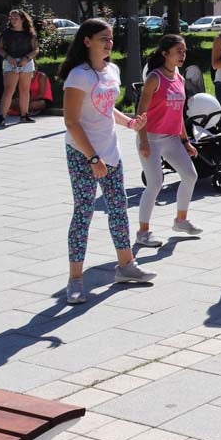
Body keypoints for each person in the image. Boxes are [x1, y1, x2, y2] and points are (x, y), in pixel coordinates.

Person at [58, 19, 156, 304]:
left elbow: (105, 107)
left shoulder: (111, 70)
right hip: (82, 153)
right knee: (84, 212)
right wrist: (92, 158)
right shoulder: (78, 75)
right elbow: (71, 122)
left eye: (111, 38)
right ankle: (75, 279)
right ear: (87, 41)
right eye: (103, 38)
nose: (109, 43)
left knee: (118, 208)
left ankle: (126, 266)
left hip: (110, 151)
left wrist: (130, 123)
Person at [135, 35, 202, 249]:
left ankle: (180, 221)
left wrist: (185, 141)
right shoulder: (154, 78)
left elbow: (178, 114)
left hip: (172, 138)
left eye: (184, 51)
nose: (183, 55)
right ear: (165, 53)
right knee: (155, 183)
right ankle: (143, 233)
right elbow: (140, 112)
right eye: (178, 51)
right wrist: (143, 141)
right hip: (151, 138)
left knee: (190, 175)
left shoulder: (179, 78)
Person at [0, 9, 38, 127]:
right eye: (11, 18)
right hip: (11, 62)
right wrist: (8, 57)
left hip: (26, 62)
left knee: (25, 90)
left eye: (16, 18)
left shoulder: (30, 34)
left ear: (22, 19)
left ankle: (24, 115)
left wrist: (26, 58)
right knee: (9, 90)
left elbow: (35, 49)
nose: (13, 20)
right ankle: (2, 116)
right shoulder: (6, 33)